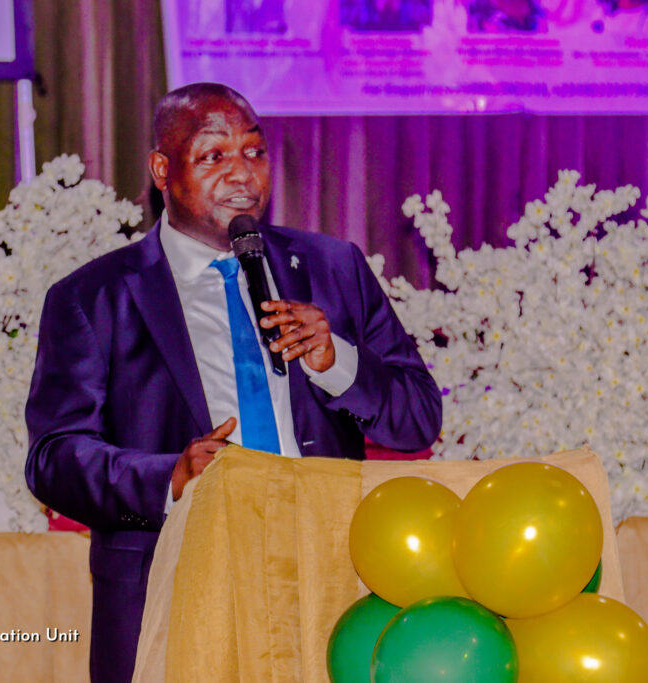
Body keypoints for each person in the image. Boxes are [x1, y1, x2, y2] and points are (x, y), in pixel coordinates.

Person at [24, 82, 442, 682]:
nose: (242, 173)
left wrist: (337, 362)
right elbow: (54, 458)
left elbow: (419, 418)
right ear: (163, 170)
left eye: (254, 151)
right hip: (175, 584)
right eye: (214, 155)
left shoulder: (332, 267)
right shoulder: (94, 297)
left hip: (327, 579)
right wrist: (169, 476)